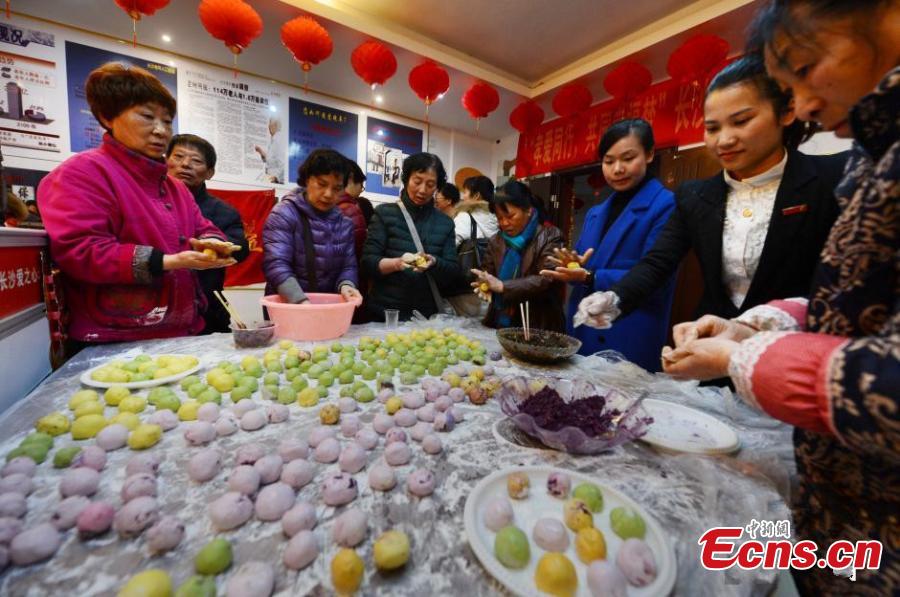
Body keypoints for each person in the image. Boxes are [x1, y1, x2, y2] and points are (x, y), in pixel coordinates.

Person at [662, 2, 899, 594]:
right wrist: (752, 325)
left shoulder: (831, 173)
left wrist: (739, 357)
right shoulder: (875, 153)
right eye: (712, 127)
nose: (808, 105)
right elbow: (848, 301)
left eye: (807, 66)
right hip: (834, 476)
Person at [576, 56, 847, 337]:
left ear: (786, 113)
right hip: (710, 345)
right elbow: (658, 262)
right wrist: (615, 299)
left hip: (797, 353)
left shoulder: (833, 179)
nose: (724, 140)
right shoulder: (695, 196)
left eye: (741, 121)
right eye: (712, 128)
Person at [38, 62, 232, 348]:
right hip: (115, 336)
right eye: (147, 116)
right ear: (107, 117)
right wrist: (166, 262)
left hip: (183, 330)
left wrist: (213, 243)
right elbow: (80, 250)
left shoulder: (174, 187)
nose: (160, 131)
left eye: (167, 121)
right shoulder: (82, 172)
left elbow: (205, 227)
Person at [541, 119, 676, 371]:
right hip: (584, 327)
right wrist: (571, 267)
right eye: (608, 160)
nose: (617, 169)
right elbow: (582, 270)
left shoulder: (666, 205)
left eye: (627, 158)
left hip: (627, 329)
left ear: (649, 154)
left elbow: (656, 277)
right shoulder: (595, 212)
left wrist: (591, 276)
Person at [166, 134, 250, 334]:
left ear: (210, 172)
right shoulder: (146, 202)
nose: (185, 164)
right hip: (157, 309)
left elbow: (241, 248)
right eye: (178, 157)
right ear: (165, 161)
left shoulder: (223, 211)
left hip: (207, 311)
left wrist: (217, 245)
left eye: (196, 160)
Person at [361, 152, 460, 321]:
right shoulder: (384, 213)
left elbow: (452, 271)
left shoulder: (445, 223)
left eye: (430, 184)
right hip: (385, 312)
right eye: (417, 181)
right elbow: (368, 262)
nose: (422, 190)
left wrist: (434, 262)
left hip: (425, 315)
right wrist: (397, 263)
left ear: (437, 187)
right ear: (406, 179)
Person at [262, 149, 362, 305]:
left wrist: (346, 285)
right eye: (322, 184)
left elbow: (348, 266)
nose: (328, 194)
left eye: (336, 188)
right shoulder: (284, 213)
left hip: (326, 306)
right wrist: (300, 301)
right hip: (289, 306)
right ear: (308, 179)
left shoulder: (345, 223)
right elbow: (276, 264)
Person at [471, 180, 565, 332]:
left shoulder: (550, 236)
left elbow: (547, 278)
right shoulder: (497, 240)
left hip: (538, 323)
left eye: (510, 216)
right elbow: (487, 272)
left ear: (528, 210)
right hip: (500, 320)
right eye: (499, 218)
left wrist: (503, 286)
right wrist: (484, 282)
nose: (504, 223)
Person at [336, 158, 371, 258]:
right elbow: (358, 252)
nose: (361, 190)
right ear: (351, 178)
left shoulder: (325, 205)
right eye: (361, 185)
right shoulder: (352, 210)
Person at [254, 117, 285, 184]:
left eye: (270, 123)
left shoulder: (278, 140)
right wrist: (261, 152)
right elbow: (271, 160)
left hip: (275, 179)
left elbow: (282, 163)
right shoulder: (273, 140)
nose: (268, 126)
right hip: (270, 177)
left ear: (275, 125)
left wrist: (275, 177)